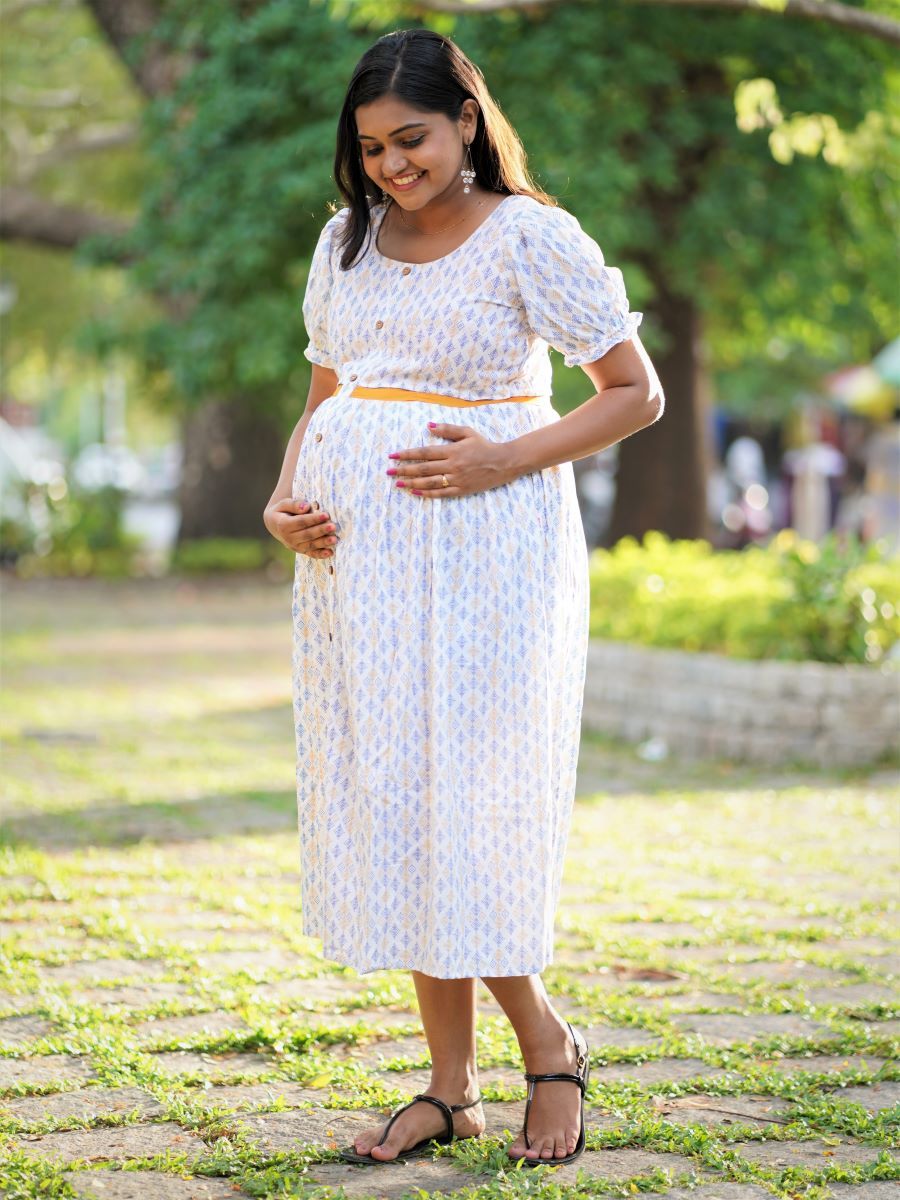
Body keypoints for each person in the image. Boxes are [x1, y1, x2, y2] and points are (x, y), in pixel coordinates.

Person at [263, 28, 663, 1170]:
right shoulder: (347, 242)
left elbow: (634, 394)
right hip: (357, 569)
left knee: (467, 807)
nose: (394, 164)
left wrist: (503, 456)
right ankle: (450, 1088)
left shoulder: (530, 235)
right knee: (397, 803)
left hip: (488, 553)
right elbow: (326, 397)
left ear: (469, 121)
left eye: (415, 139)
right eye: (374, 145)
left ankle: (548, 1049)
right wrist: (285, 497)